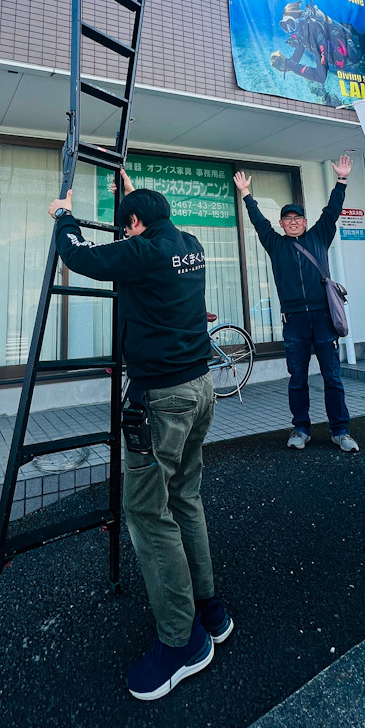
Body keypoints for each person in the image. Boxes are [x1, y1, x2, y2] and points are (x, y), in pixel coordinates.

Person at [48, 171, 232, 701]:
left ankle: (181, 644)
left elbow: (83, 257)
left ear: (134, 224)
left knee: (149, 514)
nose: (125, 234)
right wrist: (129, 196)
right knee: (186, 499)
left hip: (163, 401)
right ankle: (209, 609)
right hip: (201, 388)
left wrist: (64, 216)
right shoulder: (189, 244)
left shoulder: (144, 252)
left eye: (126, 226)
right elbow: (148, 234)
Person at [233, 155, 359, 453]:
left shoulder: (319, 236)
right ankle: (301, 428)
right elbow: (258, 222)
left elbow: (332, 211)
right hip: (294, 322)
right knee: (297, 379)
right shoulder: (275, 244)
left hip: (323, 318)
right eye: (287, 219)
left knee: (332, 377)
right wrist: (246, 195)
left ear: (305, 222)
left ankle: (340, 430)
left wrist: (341, 180)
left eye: (297, 219)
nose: (292, 223)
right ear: (282, 223)